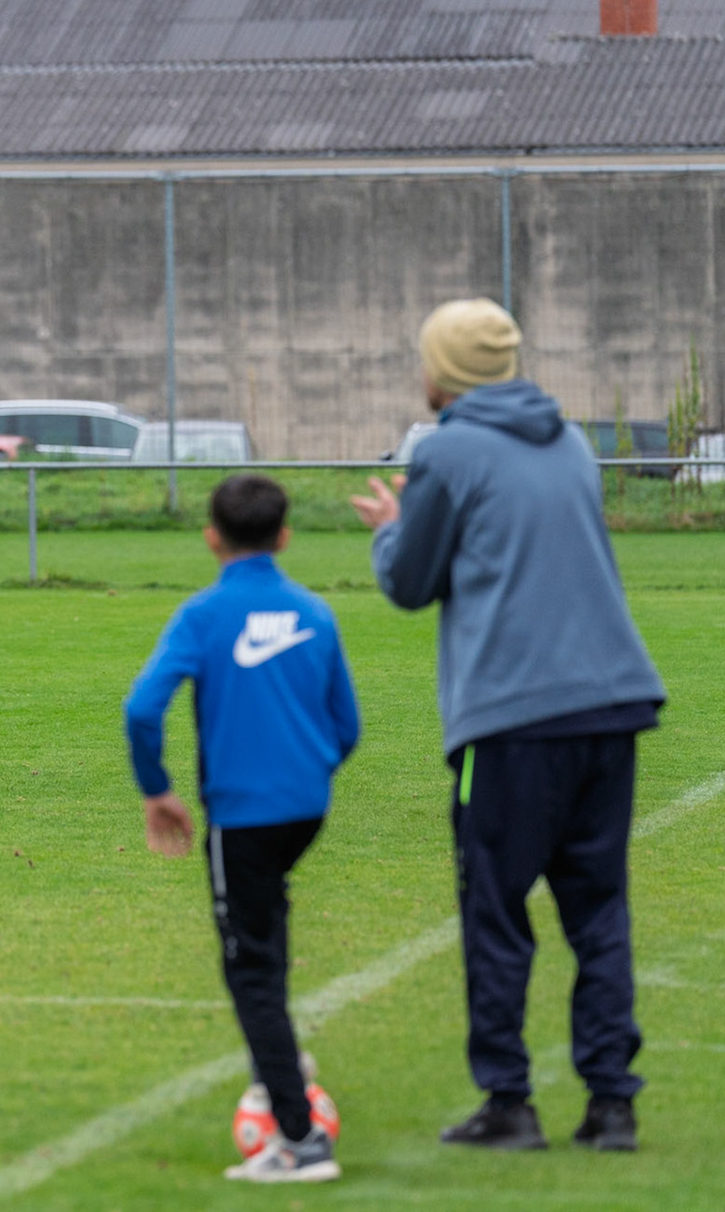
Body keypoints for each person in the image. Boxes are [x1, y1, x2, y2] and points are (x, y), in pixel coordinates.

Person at [351, 298, 665, 1153]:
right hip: (612, 703)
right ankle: (612, 1106)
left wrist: (388, 533)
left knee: (495, 912)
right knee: (598, 913)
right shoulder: (571, 443)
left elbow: (411, 582)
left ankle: (508, 1103)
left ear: (444, 370)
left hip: (513, 719)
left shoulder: (445, 451)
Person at [125, 474, 359, 1184]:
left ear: (211, 537)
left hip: (243, 815)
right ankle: (280, 1063)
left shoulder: (205, 614)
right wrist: (307, 772)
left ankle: (300, 1140)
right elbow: (346, 725)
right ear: (284, 536)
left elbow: (142, 709)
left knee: (247, 966)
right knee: (265, 922)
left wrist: (157, 792)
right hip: (305, 810)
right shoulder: (315, 611)